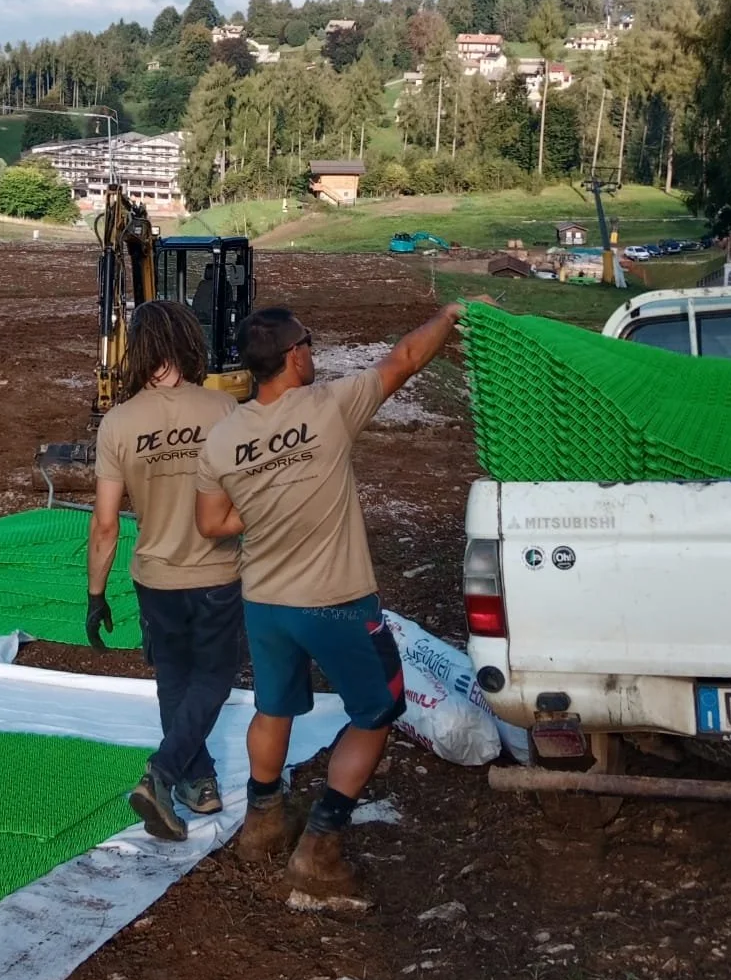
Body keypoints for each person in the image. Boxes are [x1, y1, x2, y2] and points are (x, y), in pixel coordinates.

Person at [195, 299, 466, 910]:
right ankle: (321, 844)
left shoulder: (225, 436)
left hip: (264, 602)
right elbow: (404, 359)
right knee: (378, 711)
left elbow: (212, 523)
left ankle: (262, 821)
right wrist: (449, 316)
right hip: (338, 602)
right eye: (308, 345)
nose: (312, 353)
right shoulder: (328, 408)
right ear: (293, 357)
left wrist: (265, 506)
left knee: (274, 707)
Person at [89, 300, 245, 843]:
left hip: (154, 576)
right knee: (215, 678)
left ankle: (197, 782)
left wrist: (95, 593)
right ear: (187, 342)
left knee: (174, 678)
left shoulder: (118, 422)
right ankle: (169, 774)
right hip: (220, 572)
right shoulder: (225, 411)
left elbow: (105, 525)